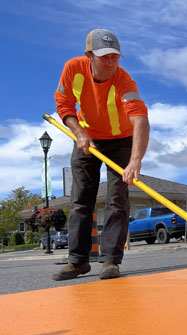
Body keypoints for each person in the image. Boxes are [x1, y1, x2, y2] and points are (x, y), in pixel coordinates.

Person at [52, 29, 149, 281]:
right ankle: (78, 261)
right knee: (81, 199)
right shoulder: (73, 68)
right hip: (87, 138)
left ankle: (110, 261)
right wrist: (78, 133)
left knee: (118, 199)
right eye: (104, 56)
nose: (110, 62)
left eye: (115, 56)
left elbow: (140, 120)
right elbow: (63, 102)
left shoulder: (125, 81)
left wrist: (135, 160)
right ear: (89, 55)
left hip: (120, 141)